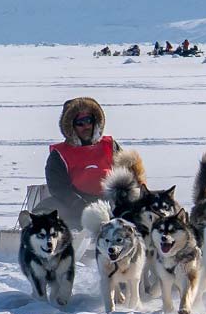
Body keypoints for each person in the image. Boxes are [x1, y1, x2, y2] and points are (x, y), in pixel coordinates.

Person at [33, 97, 132, 230]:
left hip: (109, 202)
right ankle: (34, 225)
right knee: (47, 207)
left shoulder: (110, 146)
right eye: (80, 122)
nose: (86, 126)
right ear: (71, 126)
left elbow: (127, 173)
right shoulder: (59, 154)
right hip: (76, 204)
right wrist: (77, 203)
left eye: (88, 120)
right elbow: (58, 187)